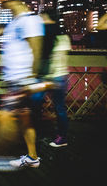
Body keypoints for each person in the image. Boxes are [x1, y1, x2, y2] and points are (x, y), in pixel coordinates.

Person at [0, 0, 52, 171]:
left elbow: (37, 49)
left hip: (22, 79)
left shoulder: (30, 20)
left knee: (6, 116)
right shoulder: (15, 22)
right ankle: (32, 157)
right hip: (15, 79)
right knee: (25, 120)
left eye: (2, 1)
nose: (1, 4)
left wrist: (31, 77)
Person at [38, 13, 71, 147]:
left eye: (44, 19)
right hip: (59, 76)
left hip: (52, 77)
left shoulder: (47, 37)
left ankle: (58, 136)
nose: (41, 22)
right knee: (59, 108)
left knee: (36, 104)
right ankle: (61, 136)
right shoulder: (64, 38)